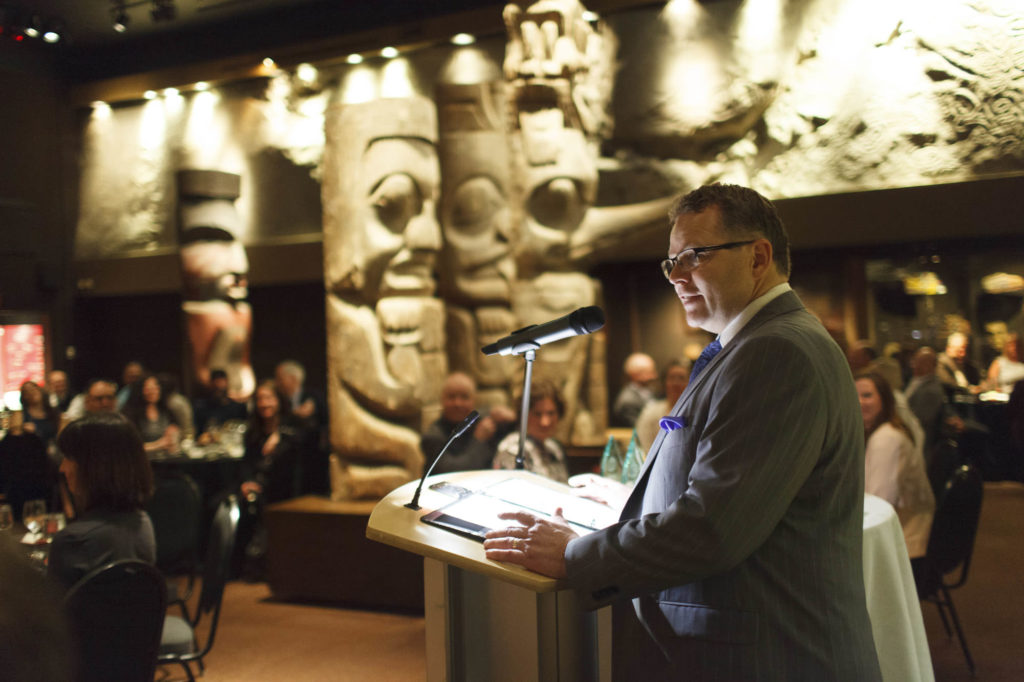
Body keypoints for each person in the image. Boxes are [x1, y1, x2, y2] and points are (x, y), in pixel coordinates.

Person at [484, 183, 881, 680]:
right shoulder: (752, 345)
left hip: (764, 657)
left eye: (694, 256)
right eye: (671, 263)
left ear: (759, 257)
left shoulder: (775, 352)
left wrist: (573, 556)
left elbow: (714, 528)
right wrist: (633, 499)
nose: (677, 277)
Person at [47, 413, 156, 590]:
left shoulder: (72, 541)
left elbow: (49, 614)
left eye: (69, 458)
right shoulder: (144, 523)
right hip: (137, 618)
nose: (62, 467)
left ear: (95, 466)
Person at [857, 372, 935, 559]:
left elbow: (877, 504)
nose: (859, 402)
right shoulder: (883, 431)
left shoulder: (886, 439)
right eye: (854, 396)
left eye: (867, 395)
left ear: (885, 399)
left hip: (906, 540)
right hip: (902, 531)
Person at [420, 372, 515, 475]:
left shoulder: (483, 419)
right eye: (451, 397)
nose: (458, 403)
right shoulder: (433, 436)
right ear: (442, 400)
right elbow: (453, 473)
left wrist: (512, 417)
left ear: (475, 401)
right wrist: (479, 441)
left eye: (464, 397)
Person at [492, 380, 569, 483]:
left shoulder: (554, 448)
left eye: (551, 413)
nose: (545, 422)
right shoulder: (514, 449)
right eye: (538, 414)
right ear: (524, 414)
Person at [905, 347, 958, 462]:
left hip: (918, 441)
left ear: (931, 365)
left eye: (920, 362)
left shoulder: (932, 390)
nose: (914, 365)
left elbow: (920, 420)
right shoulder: (915, 380)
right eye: (915, 360)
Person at [634, 359, 690, 454]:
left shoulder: (699, 412)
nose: (676, 383)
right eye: (672, 378)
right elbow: (642, 447)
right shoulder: (651, 411)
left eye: (681, 378)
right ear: (665, 383)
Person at [121, 374, 180, 456]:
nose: (153, 391)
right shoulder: (130, 412)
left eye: (156, 387)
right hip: (142, 460)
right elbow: (129, 447)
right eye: (148, 388)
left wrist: (174, 433)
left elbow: (175, 429)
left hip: (165, 459)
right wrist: (158, 445)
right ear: (140, 390)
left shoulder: (164, 409)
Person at [193, 368, 248, 440]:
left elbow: (245, 430)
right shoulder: (202, 408)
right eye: (216, 383)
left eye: (221, 382)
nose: (219, 386)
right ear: (211, 384)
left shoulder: (239, 407)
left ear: (227, 383)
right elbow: (198, 434)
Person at [611, 352, 657, 427]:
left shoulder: (651, 391)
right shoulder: (628, 401)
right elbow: (640, 427)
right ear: (634, 374)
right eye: (649, 372)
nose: (654, 376)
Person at [18, 381, 59, 451]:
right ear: (24, 397)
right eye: (27, 392)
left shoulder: (53, 412)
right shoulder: (21, 416)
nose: (31, 392)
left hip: (54, 453)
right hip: (32, 453)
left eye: (33, 389)